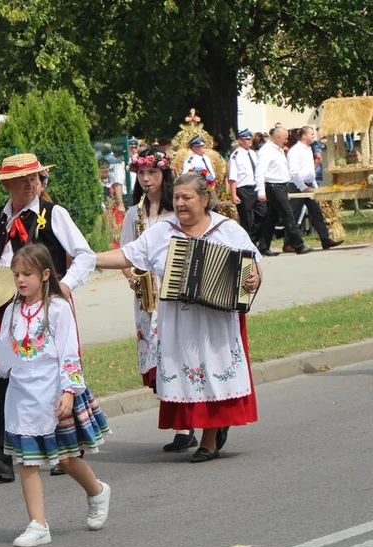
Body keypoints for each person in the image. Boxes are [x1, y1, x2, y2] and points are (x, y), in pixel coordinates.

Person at [95, 172, 263, 463]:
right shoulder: (163, 232)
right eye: (177, 197)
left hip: (216, 322)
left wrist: (252, 281)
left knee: (212, 369)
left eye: (187, 197)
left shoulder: (228, 230)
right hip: (178, 321)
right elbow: (129, 255)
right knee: (188, 372)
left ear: (205, 199)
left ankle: (209, 440)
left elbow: (253, 267)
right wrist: (89, 258)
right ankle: (201, 431)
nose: (181, 203)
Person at [0, 245, 111, 547]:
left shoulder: (58, 308)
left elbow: (69, 352)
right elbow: (6, 357)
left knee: (65, 459)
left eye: (27, 274)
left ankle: (96, 490)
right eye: (16, 274)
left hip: (52, 390)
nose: (20, 280)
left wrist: (68, 391)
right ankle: (38, 524)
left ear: (45, 274)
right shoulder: (11, 310)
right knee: (27, 461)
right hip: (22, 394)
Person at [0, 153, 98, 478]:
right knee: (5, 376)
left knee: (56, 370)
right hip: (9, 309)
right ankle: (2, 454)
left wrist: (64, 286)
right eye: (23, 179)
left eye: (35, 177)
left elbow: (85, 255)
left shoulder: (52, 213)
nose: (32, 183)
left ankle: (67, 446)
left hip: (48, 305)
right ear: (7, 184)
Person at [121, 148, 196, 452]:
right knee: (157, 363)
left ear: (164, 175)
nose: (146, 179)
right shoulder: (133, 214)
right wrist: (132, 278)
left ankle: (189, 423)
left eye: (152, 173)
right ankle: (182, 425)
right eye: (141, 174)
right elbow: (125, 252)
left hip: (175, 294)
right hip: (146, 298)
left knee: (179, 358)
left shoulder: (175, 212)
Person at [256, 127, 312, 255]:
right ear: (278, 137)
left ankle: (263, 247)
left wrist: (302, 186)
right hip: (273, 186)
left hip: (280, 186)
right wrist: (260, 190)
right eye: (285, 138)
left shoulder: (277, 150)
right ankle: (298, 245)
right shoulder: (267, 151)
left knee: (271, 218)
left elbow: (285, 171)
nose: (286, 141)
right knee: (288, 215)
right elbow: (260, 171)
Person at [288, 125, 342, 251]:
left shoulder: (308, 149)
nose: (314, 136)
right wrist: (302, 187)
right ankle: (289, 243)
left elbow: (309, 170)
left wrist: (315, 186)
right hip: (297, 186)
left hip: (309, 185)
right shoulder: (295, 150)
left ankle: (325, 240)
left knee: (316, 212)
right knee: (293, 215)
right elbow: (293, 172)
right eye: (311, 134)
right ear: (304, 136)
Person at [228, 129, 269, 251]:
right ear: (240, 141)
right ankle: (248, 245)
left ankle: (257, 240)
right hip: (243, 189)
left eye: (251, 139)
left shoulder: (253, 153)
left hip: (255, 187)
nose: (250, 141)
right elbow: (233, 176)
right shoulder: (236, 155)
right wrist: (233, 194)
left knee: (263, 213)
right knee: (246, 218)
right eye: (247, 139)